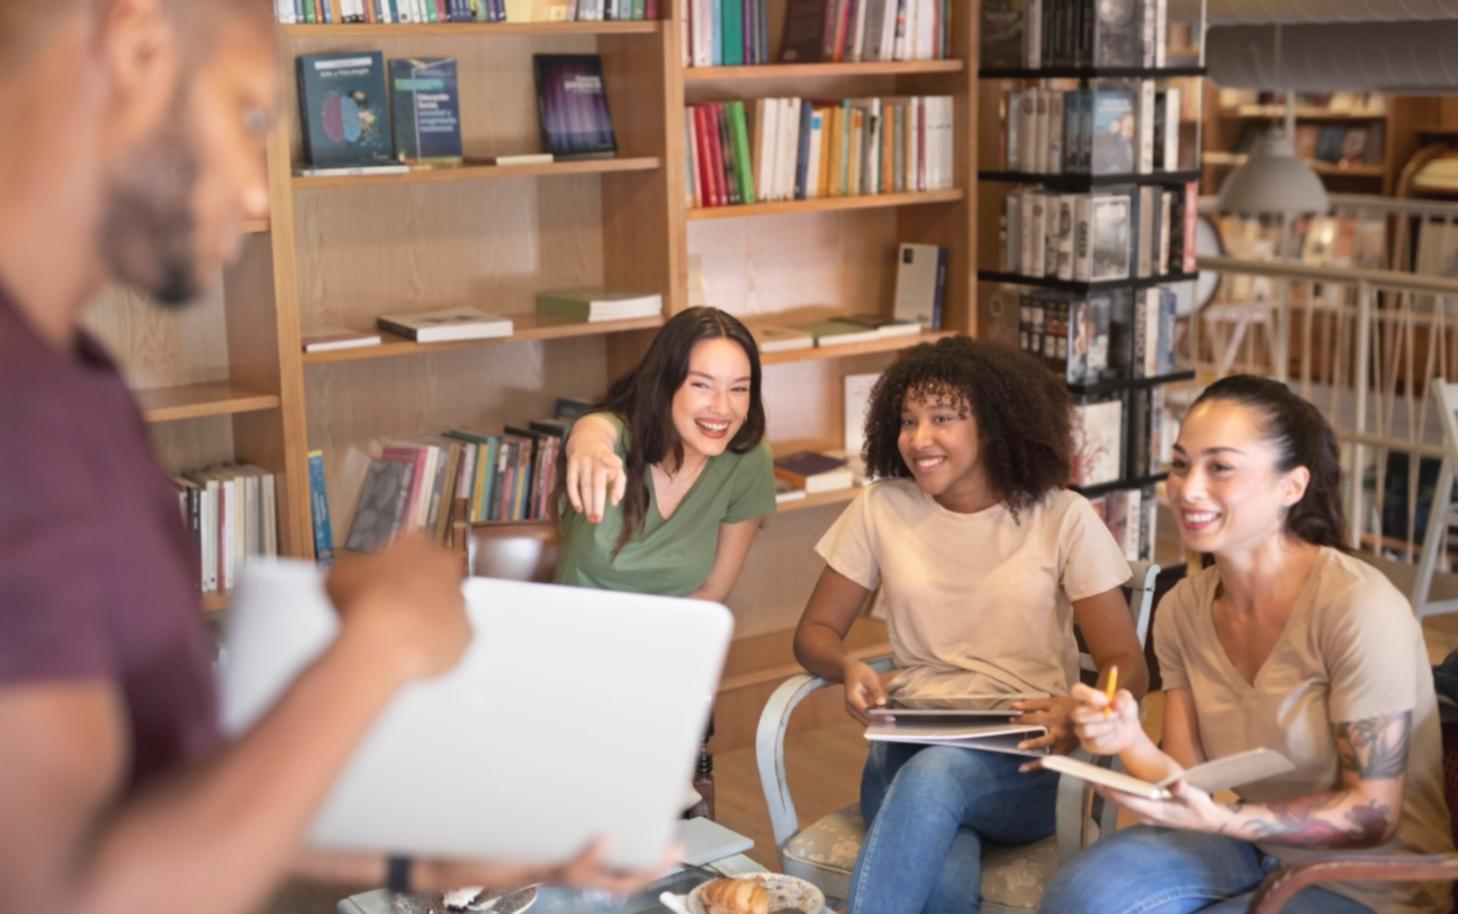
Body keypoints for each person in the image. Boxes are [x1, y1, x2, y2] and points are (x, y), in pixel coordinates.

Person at [0, 5, 664, 914]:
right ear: (138, 44)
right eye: (250, 116)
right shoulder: (19, 414)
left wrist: (415, 864)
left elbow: (160, 810)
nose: (259, 192)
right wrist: (378, 643)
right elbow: (65, 897)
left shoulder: (78, 383)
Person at [1041, 375, 1455, 914]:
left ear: (1292, 486)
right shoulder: (1183, 608)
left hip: (1371, 882)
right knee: (1080, 895)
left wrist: (1222, 820)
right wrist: (1127, 738)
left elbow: (1374, 815)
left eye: (1221, 467)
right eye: (1182, 463)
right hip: (1256, 845)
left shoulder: (1359, 608)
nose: (1188, 488)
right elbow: (1187, 780)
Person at [791, 337, 1149, 914]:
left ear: (995, 425)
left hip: (1026, 760)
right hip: (903, 750)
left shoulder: (1063, 518)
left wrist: (1081, 712)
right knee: (947, 873)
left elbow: (1127, 666)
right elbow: (814, 634)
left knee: (938, 778)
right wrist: (846, 665)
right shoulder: (880, 508)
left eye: (942, 420)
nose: (918, 439)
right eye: (908, 421)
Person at [555, 306, 775, 601]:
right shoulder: (618, 439)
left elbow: (713, 591)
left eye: (738, 389)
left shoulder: (748, 460)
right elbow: (593, 431)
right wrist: (589, 448)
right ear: (665, 385)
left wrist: (658, 644)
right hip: (573, 634)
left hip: (671, 640)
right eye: (701, 385)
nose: (723, 408)